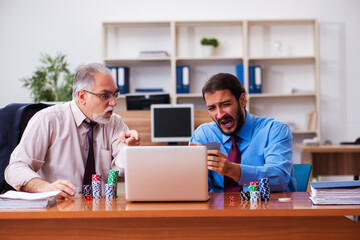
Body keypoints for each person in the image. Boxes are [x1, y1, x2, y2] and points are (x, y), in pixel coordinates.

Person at [5, 62, 140, 198]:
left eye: (115, 94)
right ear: (82, 97)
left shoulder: (114, 123)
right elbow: (15, 169)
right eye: (105, 96)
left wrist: (130, 151)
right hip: (57, 209)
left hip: (100, 209)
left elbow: (122, 169)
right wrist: (47, 187)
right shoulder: (48, 119)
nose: (113, 103)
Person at [189, 73, 296, 192]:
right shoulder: (204, 134)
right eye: (212, 108)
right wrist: (192, 169)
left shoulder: (274, 130)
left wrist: (232, 170)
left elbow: (279, 179)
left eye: (226, 105)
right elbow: (195, 189)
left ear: (242, 100)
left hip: (267, 208)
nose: (219, 115)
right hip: (219, 208)